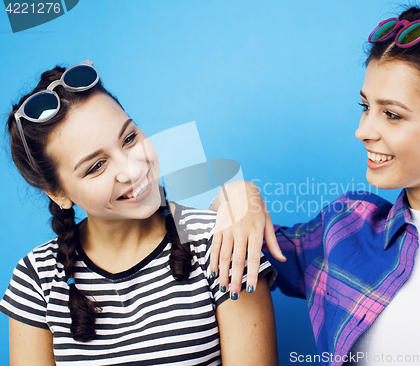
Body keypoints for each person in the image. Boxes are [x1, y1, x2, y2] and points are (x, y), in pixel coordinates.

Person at [210, 5, 420, 366]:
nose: (363, 131)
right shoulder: (344, 228)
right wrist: (239, 195)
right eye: (365, 107)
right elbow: (225, 248)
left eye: (392, 114)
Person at [0, 60, 278, 366]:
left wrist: (242, 192)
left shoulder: (222, 240)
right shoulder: (36, 280)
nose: (132, 169)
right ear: (58, 193)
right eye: (96, 166)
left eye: (129, 138)